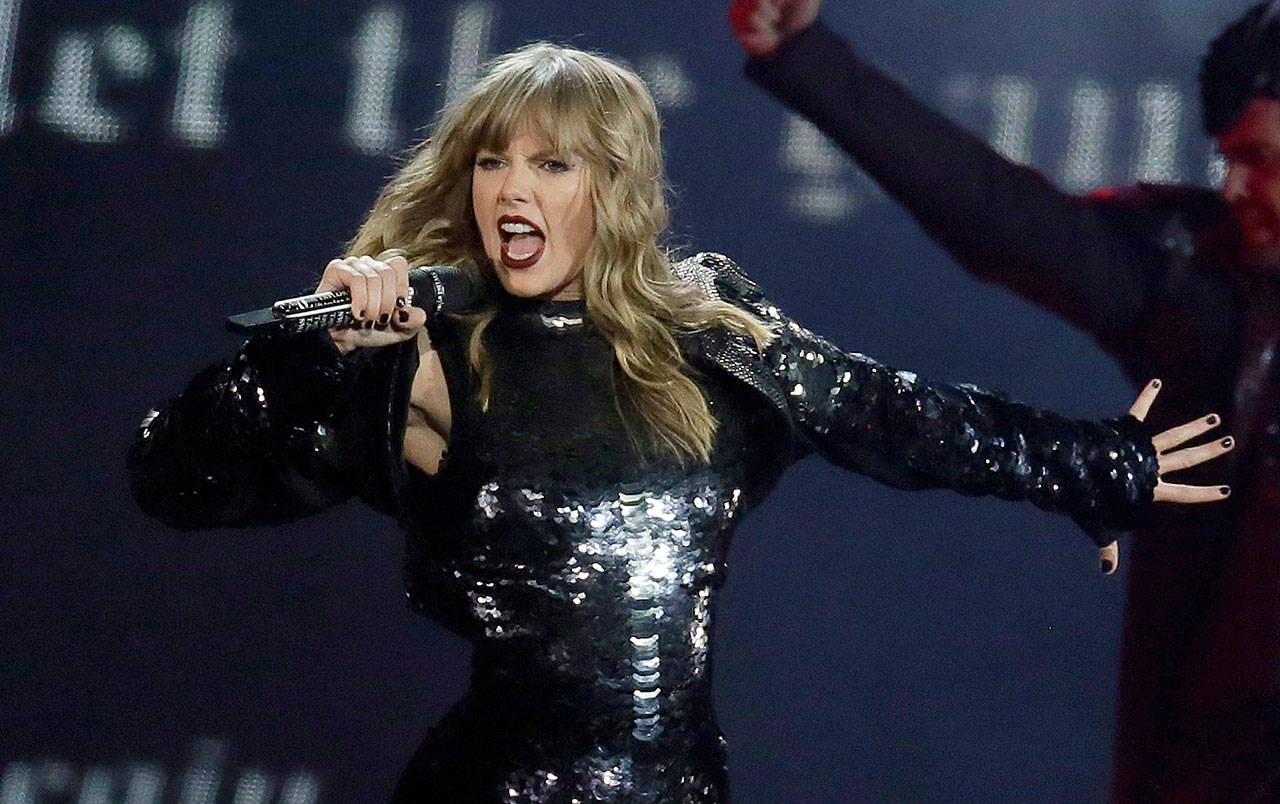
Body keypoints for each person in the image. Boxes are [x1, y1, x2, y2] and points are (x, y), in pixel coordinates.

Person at [130, 41, 1230, 802]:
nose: (512, 191)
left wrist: (1089, 463)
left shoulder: (707, 332)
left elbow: (893, 414)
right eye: (490, 162)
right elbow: (175, 481)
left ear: (609, 187)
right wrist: (311, 359)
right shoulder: (427, 351)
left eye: (549, 164)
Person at [730, 0, 1280, 799]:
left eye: (1259, 156)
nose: (1233, 185)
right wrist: (805, 57)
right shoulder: (1199, 289)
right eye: (1228, 157)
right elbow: (1003, 216)